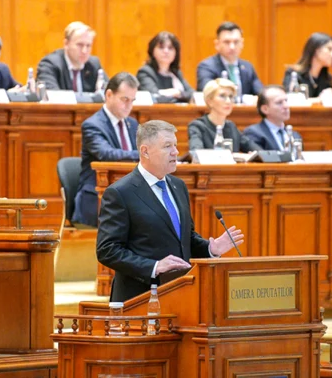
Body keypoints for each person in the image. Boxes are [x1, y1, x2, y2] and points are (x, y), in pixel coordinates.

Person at [97, 119, 245, 302]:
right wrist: (154, 266)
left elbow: (185, 237)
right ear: (145, 151)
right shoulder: (120, 192)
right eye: (167, 146)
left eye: (175, 145)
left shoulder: (178, 186)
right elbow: (107, 250)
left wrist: (210, 248)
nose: (176, 152)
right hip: (138, 297)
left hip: (180, 292)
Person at [72, 72, 140, 228]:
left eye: (132, 101)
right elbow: (107, 154)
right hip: (98, 200)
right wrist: (144, 155)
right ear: (109, 95)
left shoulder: (133, 124)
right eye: (125, 100)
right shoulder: (93, 125)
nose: (129, 106)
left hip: (129, 197)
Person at [188, 78, 261, 153]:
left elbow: (258, 151)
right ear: (209, 101)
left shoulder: (231, 126)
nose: (228, 101)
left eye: (231, 96)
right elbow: (196, 153)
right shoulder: (198, 126)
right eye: (222, 96)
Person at [196, 22, 263, 96]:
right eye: (227, 42)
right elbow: (208, 92)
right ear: (217, 44)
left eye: (236, 42)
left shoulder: (247, 67)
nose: (232, 47)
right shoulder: (207, 66)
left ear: (242, 43)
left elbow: (261, 94)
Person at [36, 21, 107, 92]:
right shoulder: (50, 64)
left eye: (88, 46)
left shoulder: (93, 64)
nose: (84, 51)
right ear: (66, 44)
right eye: (80, 45)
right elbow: (52, 96)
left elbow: (110, 93)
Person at [283, 32, 332, 99]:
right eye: (329, 49)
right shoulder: (293, 74)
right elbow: (293, 100)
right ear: (316, 50)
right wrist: (320, 100)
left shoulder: (327, 78)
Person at [136, 31, 194, 103]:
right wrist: (177, 95)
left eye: (170, 48)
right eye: (161, 47)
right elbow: (154, 96)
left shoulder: (176, 73)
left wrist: (178, 93)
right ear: (152, 51)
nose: (166, 51)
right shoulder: (145, 72)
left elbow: (192, 94)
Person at [243, 85, 302, 151]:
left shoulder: (295, 136)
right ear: (265, 109)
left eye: (286, 100)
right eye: (279, 102)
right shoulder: (254, 133)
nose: (286, 106)